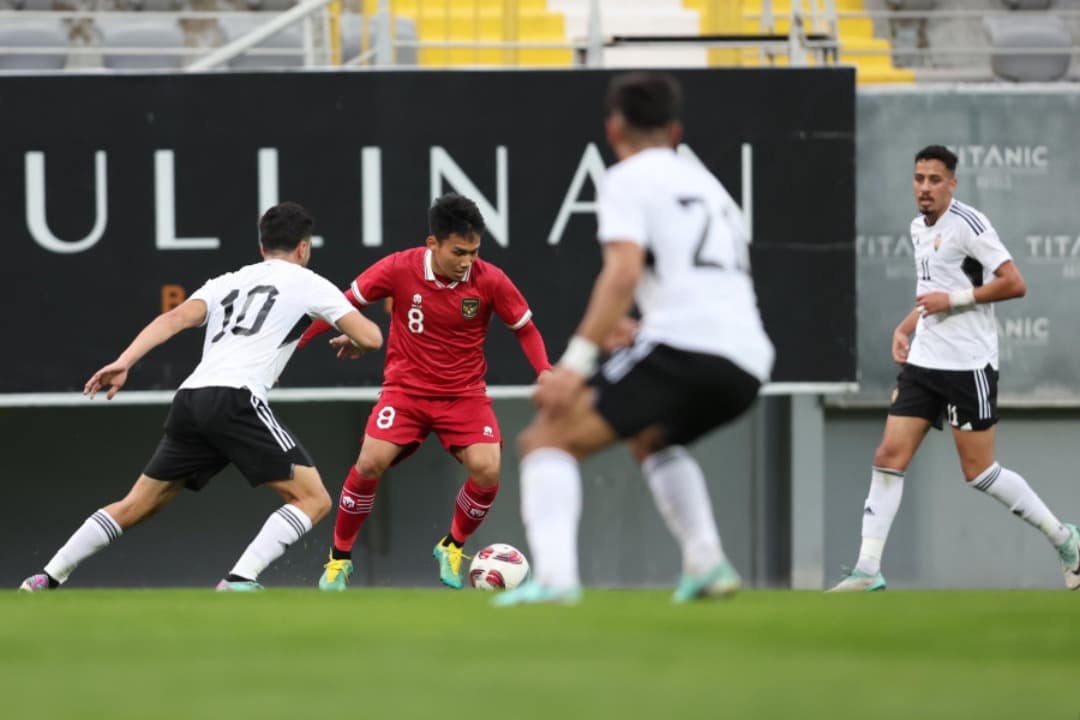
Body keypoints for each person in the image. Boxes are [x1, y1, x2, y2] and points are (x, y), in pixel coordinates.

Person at [493, 71, 775, 606]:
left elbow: (621, 274)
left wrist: (573, 367)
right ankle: (707, 563)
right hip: (747, 359)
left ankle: (554, 581)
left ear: (613, 128)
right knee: (651, 438)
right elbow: (709, 282)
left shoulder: (626, 179)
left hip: (686, 347)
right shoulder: (708, 185)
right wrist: (647, 327)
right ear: (675, 130)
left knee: (546, 439)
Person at [18, 202, 383, 592]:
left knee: (135, 504)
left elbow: (172, 319)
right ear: (303, 249)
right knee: (314, 500)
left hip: (191, 399)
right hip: (236, 399)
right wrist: (356, 341)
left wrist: (125, 361)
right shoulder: (309, 282)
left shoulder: (225, 281)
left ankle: (47, 576)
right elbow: (373, 337)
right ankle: (239, 579)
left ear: (262, 248)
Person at [829, 145, 1079, 592]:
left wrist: (956, 301)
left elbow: (1014, 283)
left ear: (952, 184)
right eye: (919, 178)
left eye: (934, 180)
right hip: (925, 361)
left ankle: (1065, 540)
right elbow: (933, 289)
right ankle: (868, 568)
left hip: (968, 365)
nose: (925, 188)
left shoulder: (969, 225)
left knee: (979, 472)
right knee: (889, 456)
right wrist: (905, 327)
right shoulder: (917, 227)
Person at [298, 192, 552, 591]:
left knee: (488, 469)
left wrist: (545, 371)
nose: (467, 261)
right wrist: (292, 349)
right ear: (432, 243)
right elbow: (339, 306)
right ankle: (339, 560)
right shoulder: (399, 268)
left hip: (464, 395)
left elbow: (526, 329)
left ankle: (452, 545)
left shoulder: (490, 279)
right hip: (406, 392)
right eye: (459, 252)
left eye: (474, 251)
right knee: (369, 462)